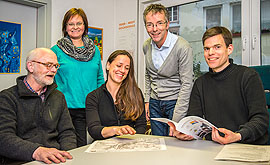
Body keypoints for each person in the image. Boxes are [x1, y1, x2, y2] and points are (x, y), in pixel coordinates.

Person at [169, 26, 269, 145]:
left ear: (229, 49)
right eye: (207, 49)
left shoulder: (248, 76)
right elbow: (194, 119)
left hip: (248, 146)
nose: (211, 53)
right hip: (214, 147)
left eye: (217, 47)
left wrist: (237, 136)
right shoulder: (200, 83)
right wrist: (187, 132)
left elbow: (261, 119)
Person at [0, 48, 76, 164]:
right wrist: (37, 151)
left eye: (56, 66)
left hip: (55, 160)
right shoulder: (7, 98)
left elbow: (67, 132)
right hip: (22, 160)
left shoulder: (58, 97)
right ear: (30, 66)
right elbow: (4, 138)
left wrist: (67, 155)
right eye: (48, 65)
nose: (53, 70)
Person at [51, 8, 104, 147]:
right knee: (70, 147)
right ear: (65, 27)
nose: (75, 27)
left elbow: (99, 78)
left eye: (79, 23)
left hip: (91, 107)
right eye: (71, 24)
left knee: (89, 146)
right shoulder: (56, 50)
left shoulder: (95, 50)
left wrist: (102, 102)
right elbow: (50, 79)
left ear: (85, 26)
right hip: (66, 108)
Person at [143, 3, 193, 136]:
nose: (154, 29)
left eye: (159, 23)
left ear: (167, 24)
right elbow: (148, 75)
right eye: (149, 24)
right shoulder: (146, 45)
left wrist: (177, 120)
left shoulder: (182, 47)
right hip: (154, 104)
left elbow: (187, 84)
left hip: (175, 104)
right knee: (158, 145)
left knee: (176, 146)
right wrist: (147, 100)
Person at [86, 50, 146, 140]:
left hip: (130, 145)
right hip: (104, 147)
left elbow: (141, 125)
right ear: (108, 65)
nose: (122, 70)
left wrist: (132, 140)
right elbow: (94, 129)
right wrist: (115, 130)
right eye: (119, 65)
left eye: (126, 68)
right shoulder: (93, 97)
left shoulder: (136, 93)